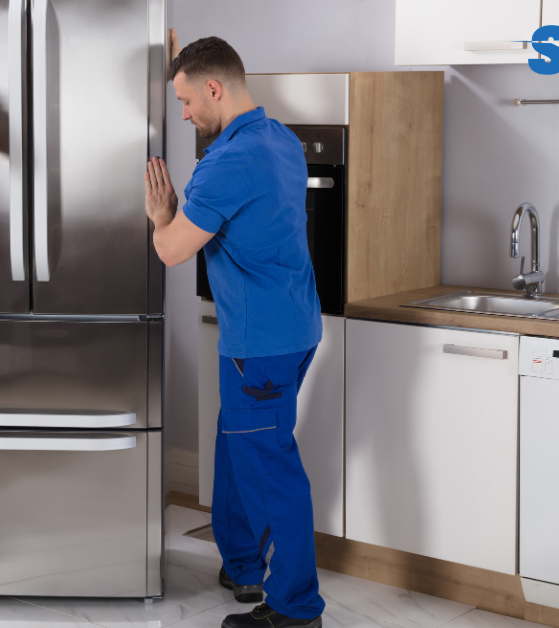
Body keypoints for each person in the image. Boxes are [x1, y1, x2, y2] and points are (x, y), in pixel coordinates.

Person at [144, 31, 326, 628]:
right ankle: (244, 563)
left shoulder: (229, 161)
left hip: (260, 345)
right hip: (292, 328)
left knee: (269, 468)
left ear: (214, 88)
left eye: (187, 101)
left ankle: (296, 610)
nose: (185, 112)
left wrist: (162, 215)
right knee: (237, 447)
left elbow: (172, 250)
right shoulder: (280, 140)